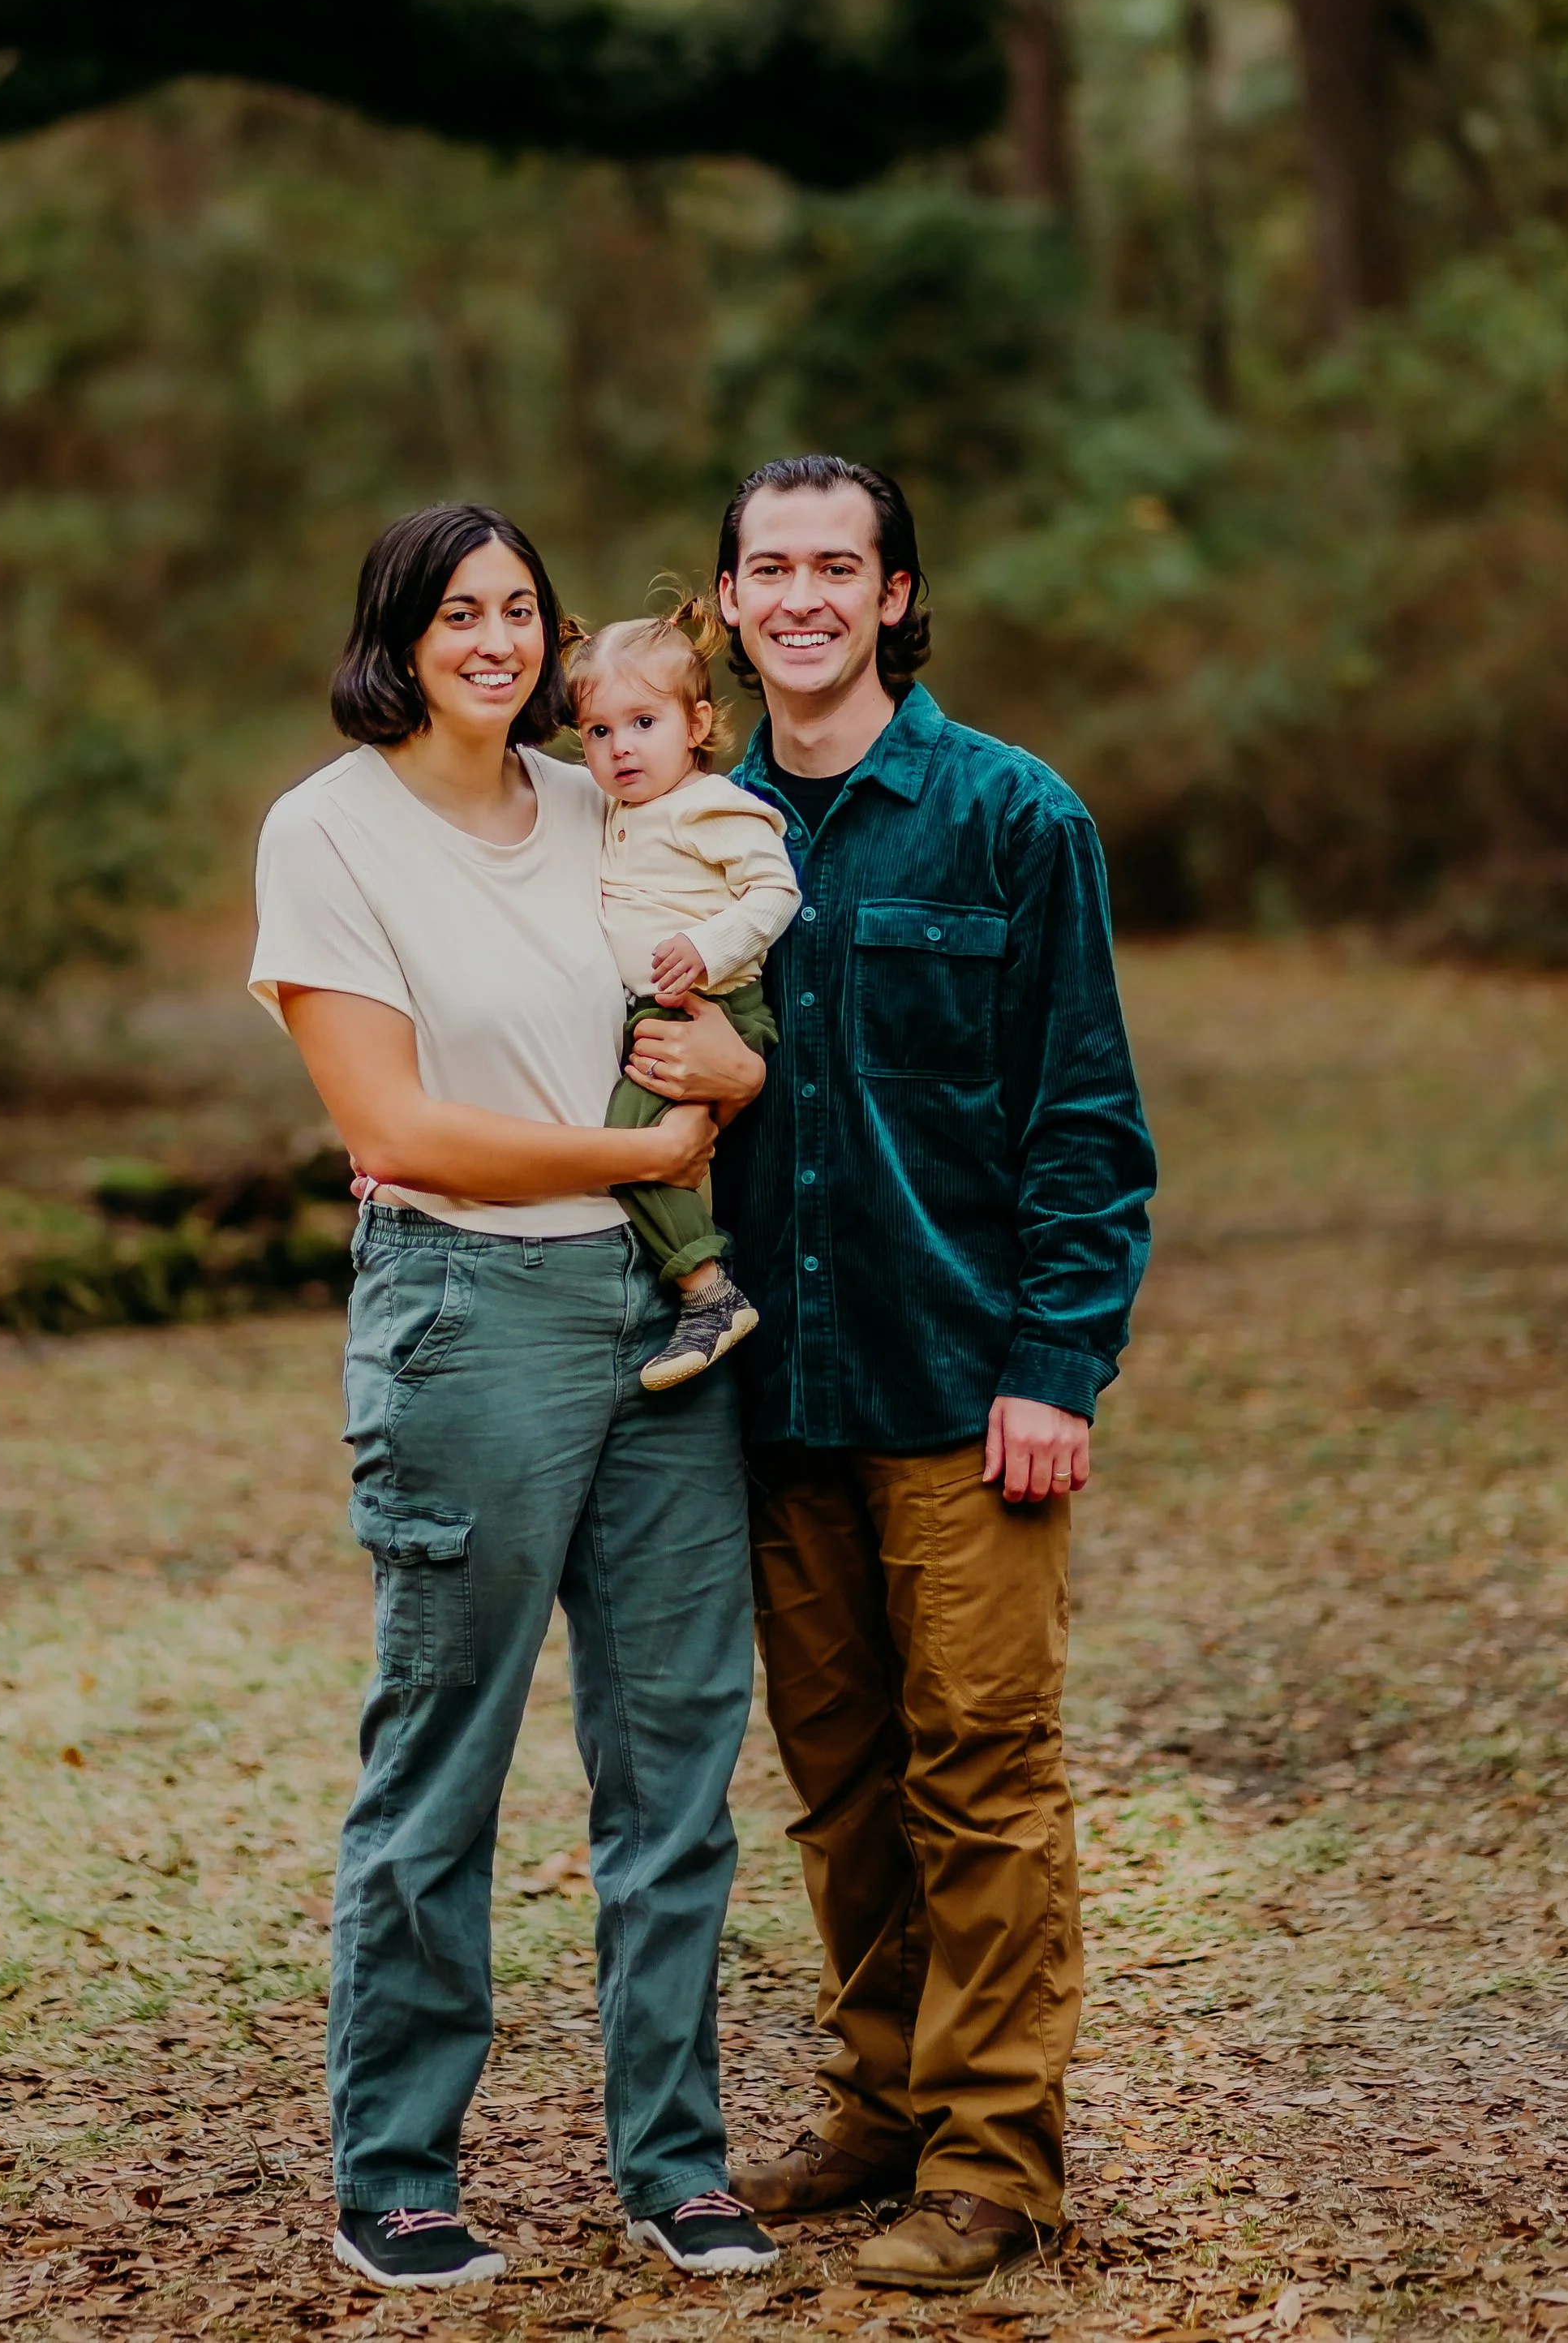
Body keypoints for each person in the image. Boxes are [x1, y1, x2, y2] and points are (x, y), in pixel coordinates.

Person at [635, 455, 1157, 2289]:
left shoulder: (1015, 818)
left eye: (833, 567)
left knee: (983, 1774)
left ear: (895, 594)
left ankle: (998, 2157)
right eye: (766, 568)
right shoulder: (676, 828)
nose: (800, 596)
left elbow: (1084, 1122)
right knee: (839, 1774)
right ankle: (882, 2099)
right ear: (724, 602)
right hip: (773, 1398)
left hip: (961, 1387)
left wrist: (1055, 1366)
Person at [247, 502, 782, 2289]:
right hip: (468, 1310)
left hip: (660, 1316)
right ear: (393, 634)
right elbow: (390, 1125)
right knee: (444, 1749)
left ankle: (676, 2157)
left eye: (518, 610)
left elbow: (713, 980)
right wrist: (640, 1141)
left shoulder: (596, 804)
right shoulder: (325, 832)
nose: (494, 638)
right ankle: (394, 2165)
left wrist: (726, 1072)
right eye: (457, 610)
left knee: (674, 1760)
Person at [568, 608, 800, 1391]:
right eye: (598, 732)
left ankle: (708, 1294)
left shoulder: (710, 805)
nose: (620, 746)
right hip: (655, 1015)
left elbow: (775, 892)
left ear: (696, 723)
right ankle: (694, 1284)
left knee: (631, 1150)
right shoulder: (613, 813)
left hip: (715, 1012)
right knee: (644, 1154)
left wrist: (708, 948)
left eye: (642, 721)